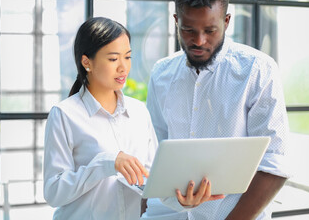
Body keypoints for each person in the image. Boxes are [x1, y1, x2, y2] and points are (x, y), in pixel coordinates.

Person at [43, 17, 218, 220]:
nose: (123, 68)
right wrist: (105, 163)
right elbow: (53, 192)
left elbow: (153, 183)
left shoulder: (139, 112)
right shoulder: (64, 115)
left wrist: (181, 200)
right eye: (113, 59)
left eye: (127, 57)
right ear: (86, 62)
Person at [142, 0, 290, 219]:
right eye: (188, 30)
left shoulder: (257, 70)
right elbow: (153, 154)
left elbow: (275, 164)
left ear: (227, 21)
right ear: (176, 21)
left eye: (210, 30)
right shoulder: (161, 73)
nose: (199, 41)